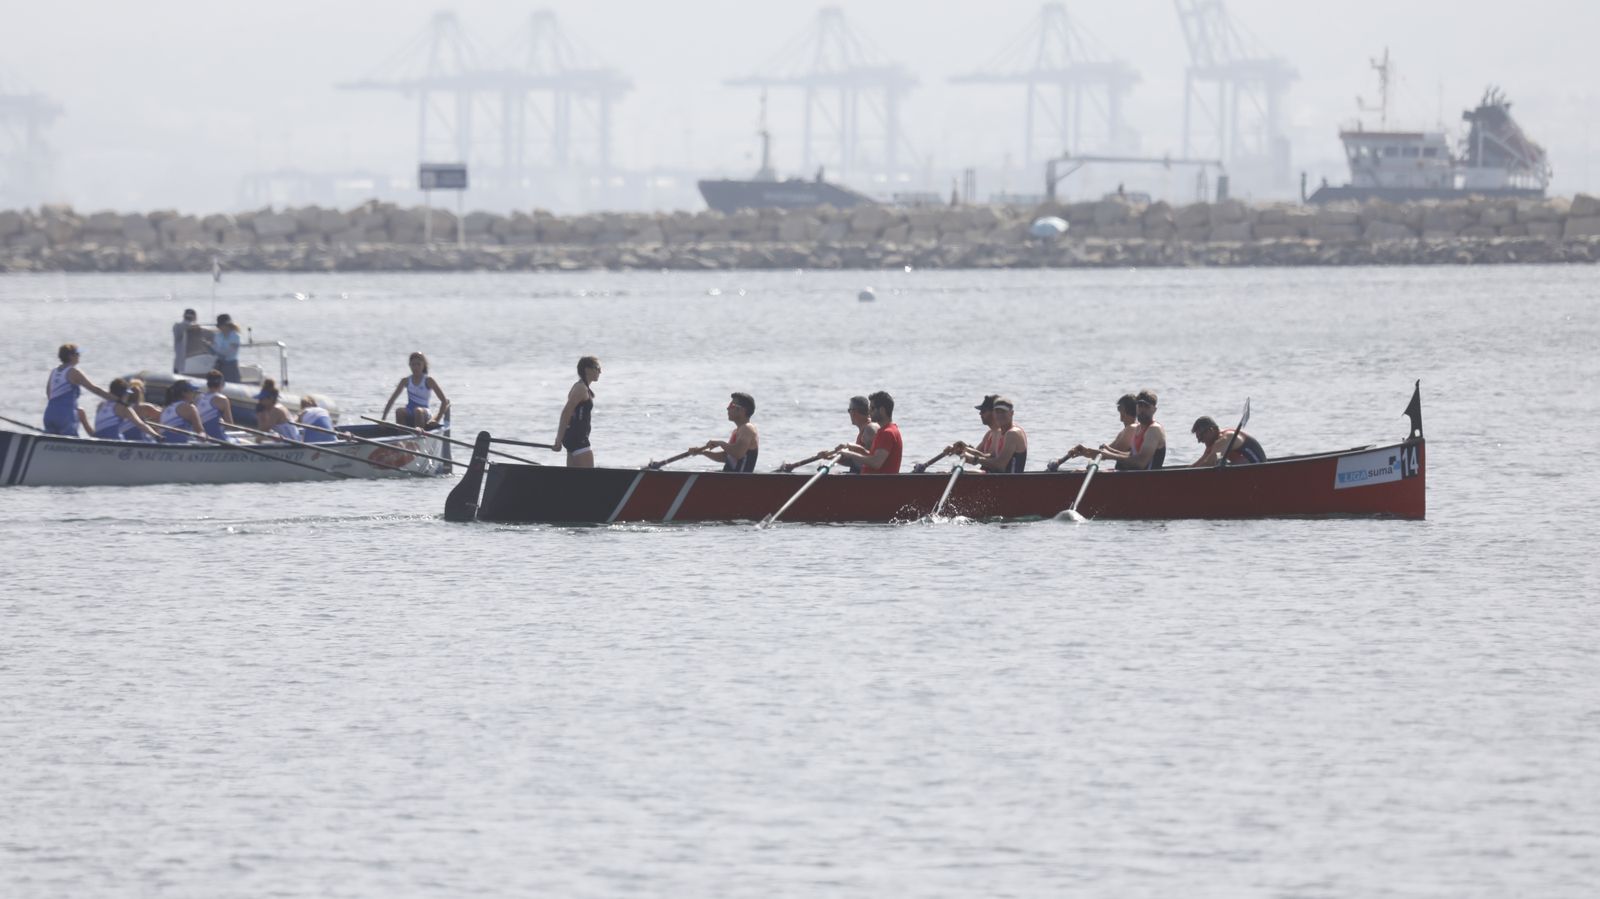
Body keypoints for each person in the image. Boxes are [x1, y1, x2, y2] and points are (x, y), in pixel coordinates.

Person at [781, 395, 879, 473]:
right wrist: (830, 457)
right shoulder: (865, 430)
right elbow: (857, 462)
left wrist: (848, 452)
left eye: (849, 410)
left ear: (854, 412)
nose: (849, 414)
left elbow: (872, 461)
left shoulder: (870, 429)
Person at [43, 343, 114, 436]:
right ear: (70, 356)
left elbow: (49, 394)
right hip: (65, 416)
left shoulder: (53, 372)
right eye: (77, 354)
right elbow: (95, 389)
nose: (79, 356)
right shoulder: (74, 372)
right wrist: (116, 399)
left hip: (49, 414)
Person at [918, 394, 998, 473]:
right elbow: (972, 458)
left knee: (951, 472)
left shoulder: (999, 433)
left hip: (993, 475)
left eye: (983, 411)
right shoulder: (989, 434)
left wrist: (966, 450)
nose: (980, 414)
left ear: (994, 413)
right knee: (944, 473)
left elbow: (990, 459)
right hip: (984, 472)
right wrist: (958, 450)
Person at [1060, 393, 1139, 469]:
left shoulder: (1132, 429)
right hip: (1122, 471)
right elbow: (1105, 452)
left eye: (1119, 409)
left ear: (1123, 412)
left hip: (1125, 475)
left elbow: (1107, 454)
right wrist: (1084, 451)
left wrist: (1086, 452)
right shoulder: (1129, 429)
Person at [832, 390, 902, 474]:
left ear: (882, 410)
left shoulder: (887, 433)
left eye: (872, 408)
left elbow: (876, 463)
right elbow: (872, 456)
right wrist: (855, 448)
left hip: (877, 484)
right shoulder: (887, 430)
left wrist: (850, 454)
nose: (869, 412)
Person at [1095, 389, 1166, 470]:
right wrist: (1109, 451)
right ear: (1136, 407)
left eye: (1146, 406)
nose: (1142, 410)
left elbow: (1140, 463)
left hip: (1148, 480)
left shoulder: (1154, 429)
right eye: (1140, 405)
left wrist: (1110, 455)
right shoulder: (1138, 428)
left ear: (1154, 409)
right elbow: (1132, 456)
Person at [382, 351, 450, 430]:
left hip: (424, 413)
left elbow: (444, 401)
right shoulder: (405, 380)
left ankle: (419, 436)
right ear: (410, 365)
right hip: (410, 410)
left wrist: (436, 419)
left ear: (423, 365)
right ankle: (403, 438)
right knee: (399, 411)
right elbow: (391, 400)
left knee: (418, 411)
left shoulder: (428, 380)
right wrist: (383, 419)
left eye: (418, 364)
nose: (416, 367)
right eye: (413, 364)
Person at [695, 392, 760, 472]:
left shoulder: (747, 428)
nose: (727, 408)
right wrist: (703, 452)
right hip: (729, 480)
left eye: (731, 406)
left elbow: (738, 453)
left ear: (742, 410)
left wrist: (721, 443)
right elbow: (727, 457)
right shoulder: (737, 431)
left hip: (740, 480)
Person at [554, 356, 600, 467]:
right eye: (597, 368)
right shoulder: (581, 388)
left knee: (573, 480)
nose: (600, 372)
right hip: (578, 439)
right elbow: (566, 413)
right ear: (587, 369)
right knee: (587, 480)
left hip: (573, 439)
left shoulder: (581, 387)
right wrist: (558, 440)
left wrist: (561, 439)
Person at [959, 396, 1027, 472]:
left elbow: (1000, 465)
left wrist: (975, 459)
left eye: (1003, 412)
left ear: (1011, 413)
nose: (1000, 415)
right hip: (999, 479)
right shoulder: (1000, 432)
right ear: (994, 414)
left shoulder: (1013, 433)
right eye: (997, 412)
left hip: (1009, 481)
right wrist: (966, 452)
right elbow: (992, 457)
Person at [91, 378, 159, 441]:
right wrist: (156, 436)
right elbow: (140, 424)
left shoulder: (101, 405)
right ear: (124, 394)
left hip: (98, 440)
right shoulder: (124, 408)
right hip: (115, 441)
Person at [1190, 415, 1267, 467]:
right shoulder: (1213, 444)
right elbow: (1201, 462)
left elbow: (1210, 462)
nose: (1201, 442)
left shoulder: (1226, 438)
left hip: (1258, 469)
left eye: (1201, 438)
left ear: (1211, 430)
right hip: (1244, 470)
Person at [195, 370, 236, 442]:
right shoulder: (222, 399)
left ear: (208, 384)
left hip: (200, 437)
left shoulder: (198, 398)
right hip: (217, 438)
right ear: (222, 384)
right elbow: (230, 426)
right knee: (246, 442)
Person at [208, 313, 244, 383]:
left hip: (231, 365)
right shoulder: (218, 336)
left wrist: (212, 347)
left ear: (228, 325)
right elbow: (215, 351)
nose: (220, 328)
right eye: (219, 326)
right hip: (219, 365)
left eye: (221, 325)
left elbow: (227, 353)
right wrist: (209, 347)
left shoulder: (235, 337)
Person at [172, 308, 202, 373]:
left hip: (190, 365)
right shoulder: (178, 326)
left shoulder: (197, 329)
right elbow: (184, 327)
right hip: (181, 365)